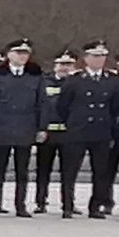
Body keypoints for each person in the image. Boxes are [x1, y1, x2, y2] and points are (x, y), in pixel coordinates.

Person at [57, 42, 119, 218]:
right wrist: (71, 123)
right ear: (86, 58)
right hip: (78, 130)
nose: (99, 60)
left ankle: (96, 206)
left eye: (102, 56)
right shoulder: (74, 80)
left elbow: (116, 107)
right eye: (95, 56)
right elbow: (62, 106)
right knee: (69, 170)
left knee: (101, 172)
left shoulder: (111, 80)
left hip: (101, 131)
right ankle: (67, 205)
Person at [0, 38, 44, 217]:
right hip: (1, 129)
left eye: (26, 53)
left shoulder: (35, 78)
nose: (23, 57)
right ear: (9, 55)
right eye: (19, 53)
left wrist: (41, 128)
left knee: (23, 170)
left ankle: (20, 205)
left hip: (25, 128)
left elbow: (41, 105)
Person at [31, 51, 78, 215]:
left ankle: (68, 205)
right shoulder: (44, 83)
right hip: (48, 133)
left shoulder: (77, 83)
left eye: (69, 65)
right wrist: (40, 128)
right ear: (55, 66)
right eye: (62, 64)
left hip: (69, 133)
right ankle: (41, 202)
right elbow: (40, 107)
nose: (65, 68)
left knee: (69, 172)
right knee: (43, 170)